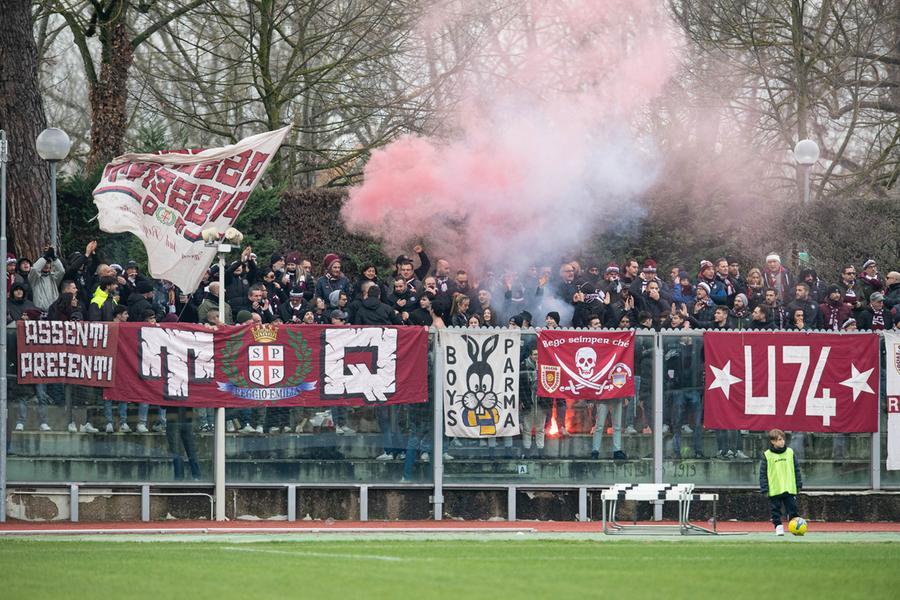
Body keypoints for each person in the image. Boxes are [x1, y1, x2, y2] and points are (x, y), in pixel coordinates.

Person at [759, 428, 803, 536]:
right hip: (775, 489)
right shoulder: (767, 455)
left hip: (789, 488)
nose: (782, 441)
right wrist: (765, 488)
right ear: (773, 441)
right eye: (779, 440)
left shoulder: (790, 452)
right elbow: (763, 474)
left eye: (783, 439)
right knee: (775, 510)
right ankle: (778, 527)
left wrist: (798, 484)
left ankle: (795, 527)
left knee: (793, 508)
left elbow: (796, 469)